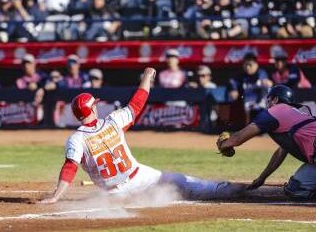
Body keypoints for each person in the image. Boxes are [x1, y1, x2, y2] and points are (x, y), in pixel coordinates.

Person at [39, 67, 244, 204]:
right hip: (139, 177)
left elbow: (70, 168)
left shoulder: (76, 139)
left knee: (121, 202)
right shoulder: (113, 121)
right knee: (179, 181)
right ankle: (224, 190)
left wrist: (56, 197)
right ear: (93, 109)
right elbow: (137, 104)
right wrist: (147, 78)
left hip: (112, 194)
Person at [217, 85, 316, 200]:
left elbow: (239, 138)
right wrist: (262, 178)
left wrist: (223, 144)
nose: (267, 102)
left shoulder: (274, 111)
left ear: (275, 99)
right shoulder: (297, 114)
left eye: (269, 99)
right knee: (296, 187)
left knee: (296, 190)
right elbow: (280, 153)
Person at [228, 52, 273, 122]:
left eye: (250, 65)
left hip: (262, 107)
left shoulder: (261, 73)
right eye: (245, 65)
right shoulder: (242, 76)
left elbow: (268, 82)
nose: (247, 67)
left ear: (256, 65)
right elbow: (232, 82)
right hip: (248, 108)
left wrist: (268, 83)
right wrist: (233, 89)